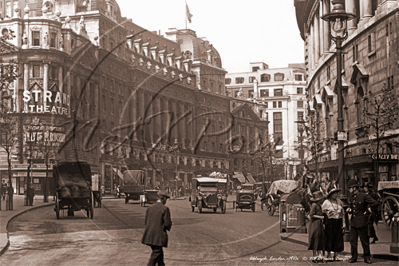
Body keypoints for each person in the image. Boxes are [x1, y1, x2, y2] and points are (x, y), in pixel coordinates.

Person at [346, 179, 379, 264]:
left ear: (354, 188)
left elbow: (375, 203)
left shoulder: (363, 196)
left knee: (364, 241)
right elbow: (353, 207)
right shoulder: (352, 197)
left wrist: (368, 211)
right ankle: (353, 257)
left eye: (350, 188)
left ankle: (367, 257)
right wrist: (349, 209)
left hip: (362, 221)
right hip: (353, 222)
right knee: (353, 241)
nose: (349, 190)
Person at [142, 190, 173, 266]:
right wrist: (170, 224)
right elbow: (167, 224)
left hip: (149, 236)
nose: (166, 201)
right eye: (166, 199)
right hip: (158, 237)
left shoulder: (150, 208)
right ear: (164, 199)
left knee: (159, 254)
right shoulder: (165, 209)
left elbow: (146, 222)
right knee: (156, 253)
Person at [322, 187, 345, 261]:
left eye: (336, 193)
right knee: (329, 237)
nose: (336, 195)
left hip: (338, 221)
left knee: (338, 237)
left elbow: (342, 213)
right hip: (330, 222)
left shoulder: (339, 201)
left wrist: (343, 223)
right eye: (334, 193)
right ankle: (329, 254)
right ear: (331, 195)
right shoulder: (326, 202)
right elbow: (323, 212)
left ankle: (336, 254)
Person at [308, 191, 326, 263]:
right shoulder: (314, 205)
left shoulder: (319, 205)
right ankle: (315, 255)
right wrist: (320, 217)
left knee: (320, 238)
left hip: (319, 224)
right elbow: (311, 214)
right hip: (315, 223)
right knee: (315, 238)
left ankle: (319, 255)